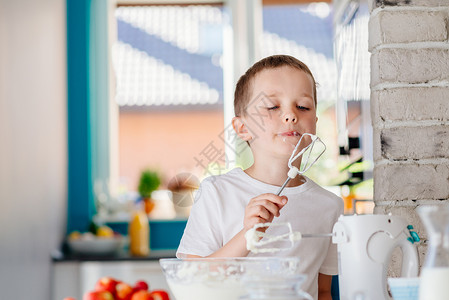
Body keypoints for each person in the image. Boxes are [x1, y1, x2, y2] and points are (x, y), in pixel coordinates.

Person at [177, 55, 343, 300]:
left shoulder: (330, 206)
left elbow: (322, 291)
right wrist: (248, 234)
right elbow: (192, 282)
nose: (290, 115)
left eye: (303, 106)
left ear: (314, 123)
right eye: (273, 107)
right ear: (243, 128)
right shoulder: (217, 193)